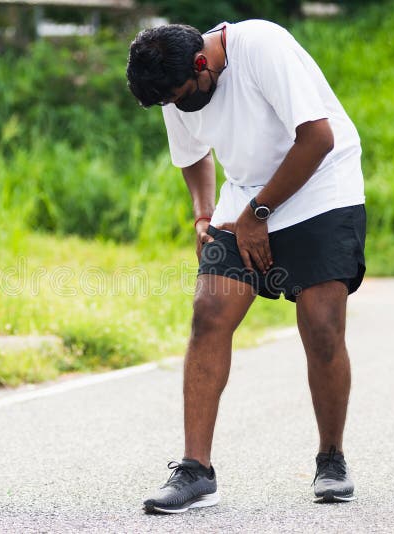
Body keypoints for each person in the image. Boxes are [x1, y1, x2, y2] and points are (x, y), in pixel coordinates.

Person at [126, 19, 367, 513]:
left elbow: (317, 137)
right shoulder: (176, 82)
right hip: (246, 197)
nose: (177, 107)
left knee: (321, 324)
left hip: (321, 187)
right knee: (209, 312)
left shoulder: (262, 46)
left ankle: (331, 458)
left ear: (202, 64)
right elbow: (192, 153)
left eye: (179, 97)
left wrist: (259, 213)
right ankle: (196, 470)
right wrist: (203, 212)